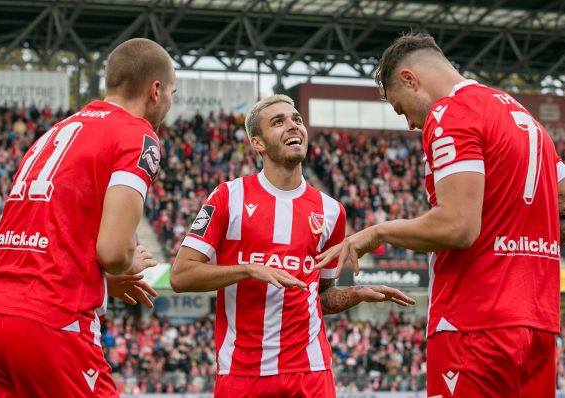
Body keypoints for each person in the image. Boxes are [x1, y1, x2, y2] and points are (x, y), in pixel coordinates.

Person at [316, 33, 565, 397]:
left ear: (409, 79)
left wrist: (376, 233)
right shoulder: (521, 117)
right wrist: (509, 227)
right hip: (537, 326)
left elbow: (457, 227)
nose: (411, 125)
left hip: (474, 322)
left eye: (402, 110)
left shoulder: (450, 113)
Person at [170, 94, 416, 398]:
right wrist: (248, 269)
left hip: (310, 374)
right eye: (278, 122)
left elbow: (320, 298)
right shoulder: (227, 197)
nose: (292, 126)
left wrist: (356, 294)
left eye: (296, 119)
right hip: (242, 374)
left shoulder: (331, 210)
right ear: (257, 143)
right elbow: (180, 276)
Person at [0, 38, 176, 398]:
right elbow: (113, 252)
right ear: (155, 90)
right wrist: (126, 263)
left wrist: (105, 284)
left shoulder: (55, 132)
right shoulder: (138, 135)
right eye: (173, 92)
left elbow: (53, 246)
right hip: (51, 326)